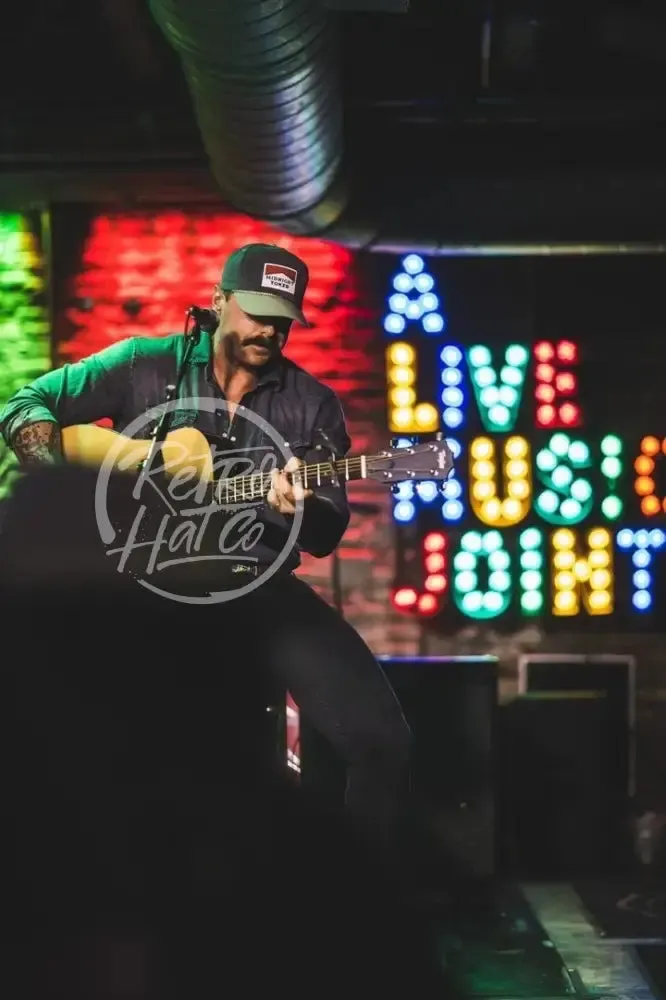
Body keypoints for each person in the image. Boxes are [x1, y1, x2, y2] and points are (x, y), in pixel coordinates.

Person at [0, 241, 411, 860]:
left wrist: (292, 509)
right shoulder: (144, 363)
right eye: (255, 312)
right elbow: (23, 404)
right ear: (219, 303)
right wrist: (72, 500)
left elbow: (325, 532)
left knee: (381, 739)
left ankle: (347, 911)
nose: (267, 329)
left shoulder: (310, 404)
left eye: (281, 319)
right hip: (140, 585)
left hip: (252, 584)